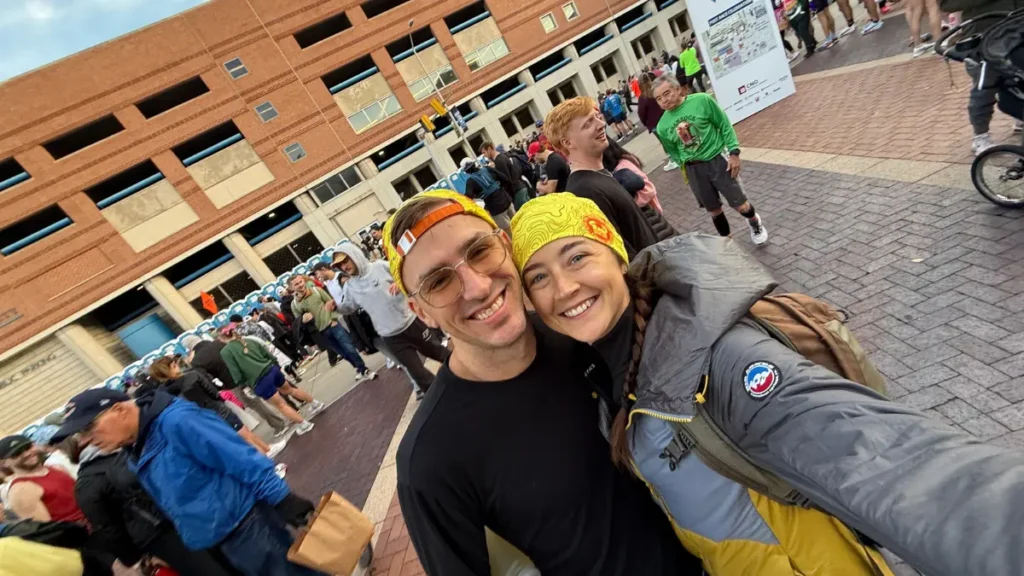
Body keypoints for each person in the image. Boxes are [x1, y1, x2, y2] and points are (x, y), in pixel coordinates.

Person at [511, 193, 1024, 576]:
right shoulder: (608, 378)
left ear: (618, 257)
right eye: (538, 277)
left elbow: (878, 455)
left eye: (578, 256)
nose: (565, 287)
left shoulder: (721, 356)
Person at [383, 190, 701, 575]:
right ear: (421, 312)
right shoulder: (430, 461)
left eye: (480, 250)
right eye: (438, 281)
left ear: (505, 245)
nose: (478, 286)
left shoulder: (579, 331)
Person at [53, 388, 325, 576]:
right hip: (214, 536)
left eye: (89, 428)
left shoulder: (176, 422)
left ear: (119, 410)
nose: (87, 440)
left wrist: (282, 498)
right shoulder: (136, 444)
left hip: (244, 524)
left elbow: (238, 457)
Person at [73, 443, 240, 575]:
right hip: (172, 524)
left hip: (160, 533)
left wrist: (137, 558)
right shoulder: (119, 458)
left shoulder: (90, 481)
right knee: (222, 563)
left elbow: (108, 529)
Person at [653, 75, 768, 245]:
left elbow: (723, 124)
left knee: (740, 205)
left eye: (667, 93)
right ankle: (728, 245)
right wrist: (686, 171)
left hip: (717, 161)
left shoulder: (702, 101)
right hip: (694, 170)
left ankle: (754, 221)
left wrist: (734, 153)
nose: (664, 100)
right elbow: (674, 151)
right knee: (714, 210)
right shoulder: (662, 126)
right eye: (658, 98)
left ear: (677, 89)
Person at [323, 247, 449, 400]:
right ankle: (442, 398)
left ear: (354, 255)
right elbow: (348, 307)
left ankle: (468, 376)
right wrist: (336, 307)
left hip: (410, 323)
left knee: (440, 353)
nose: (344, 266)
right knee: (417, 373)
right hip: (390, 336)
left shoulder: (380, 267)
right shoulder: (350, 287)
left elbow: (406, 276)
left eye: (346, 260)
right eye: (340, 265)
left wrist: (398, 282)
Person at [543, 96, 658, 258]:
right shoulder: (584, 192)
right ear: (567, 143)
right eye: (588, 123)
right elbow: (622, 257)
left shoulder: (598, 176)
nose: (601, 124)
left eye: (597, 117)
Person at [145, 356, 287, 457]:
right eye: (173, 364)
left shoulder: (163, 394)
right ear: (168, 369)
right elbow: (213, 392)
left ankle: (268, 450)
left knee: (243, 439)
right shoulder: (192, 376)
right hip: (217, 409)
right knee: (246, 436)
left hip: (202, 420)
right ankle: (268, 460)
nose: (176, 365)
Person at [939, 0, 1024, 153]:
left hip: (1016, 28)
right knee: (985, 86)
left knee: (1018, 76)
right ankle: (980, 135)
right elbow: (946, 4)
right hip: (985, 36)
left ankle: (1019, 115)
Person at [219, 324, 323, 435]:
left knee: (281, 405)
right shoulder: (248, 339)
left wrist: (244, 384)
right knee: (291, 390)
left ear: (222, 337)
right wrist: (275, 365)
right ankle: (315, 403)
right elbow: (267, 353)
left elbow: (235, 372)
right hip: (271, 369)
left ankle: (304, 424)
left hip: (259, 380)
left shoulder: (225, 352)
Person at [183, 334, 291, 437]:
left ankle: (279, 425)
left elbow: (206, 379)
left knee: (256, 405)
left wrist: (219, 389)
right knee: (271, 393)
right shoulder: (217, 343)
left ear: (189, 348)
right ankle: (291, 412)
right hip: (247, 372)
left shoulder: (197, 361)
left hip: (231, 383)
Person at [288, 274, 376, 381]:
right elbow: (299, 322)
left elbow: (331, 302)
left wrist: (333, 319)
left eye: (301, 281)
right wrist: (303, 319)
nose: (301, 285)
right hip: (320, 334)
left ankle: (364, 370)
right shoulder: (294, 304)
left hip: (332, 325)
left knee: (349, 348)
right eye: (297, 284)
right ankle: (358, 368)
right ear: (292, 288)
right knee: (343, 353)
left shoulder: (316, 290)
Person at [0, 435, 83, 523]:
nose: (27, 453)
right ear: (5, 463)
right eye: (17, 454)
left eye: (28, 447)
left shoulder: (55, 468)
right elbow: (49, 531)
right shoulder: (20, 490)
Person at [461, 157, 515, 230]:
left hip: (497, 210)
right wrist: (499, 190)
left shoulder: (470, 181)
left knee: (511, 233)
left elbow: (467, 199)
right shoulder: (487, 169)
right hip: (507, 201)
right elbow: (505, 179)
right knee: (519, 224)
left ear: (466, 171)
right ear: (474, 164)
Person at [479, 141, 531, 210]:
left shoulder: (499, 161)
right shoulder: (501, 157)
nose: (484, 155)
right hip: (520, 189)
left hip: (517, 192)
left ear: (489, 149)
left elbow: (507, 180)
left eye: (484, 152)